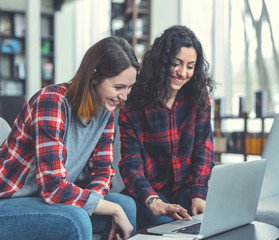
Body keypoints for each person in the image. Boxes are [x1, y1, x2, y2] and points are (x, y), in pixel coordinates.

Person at [0, 36, 139, 240]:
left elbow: (103, 170)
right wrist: (112, 209)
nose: (124, 97)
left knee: (127, 205)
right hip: (10, 202)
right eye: (118, 87)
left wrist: (103, 202)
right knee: (77, 218)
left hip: (46, 202)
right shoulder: (51, 102)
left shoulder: (105, 112)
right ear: (94, 75)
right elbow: (53, 187)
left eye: (129, 87)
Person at [118, 25, 215, 230]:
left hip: (188, 189)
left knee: (210, 220)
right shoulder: (133, 102)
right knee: (165, 225)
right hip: (150, 193)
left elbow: (204, 151)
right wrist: (153, 200)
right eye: (176, 63)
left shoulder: (198, 98)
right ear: (162, 62)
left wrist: (199, 194)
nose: (183, 72)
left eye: (190, 66)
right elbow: (131, 165)